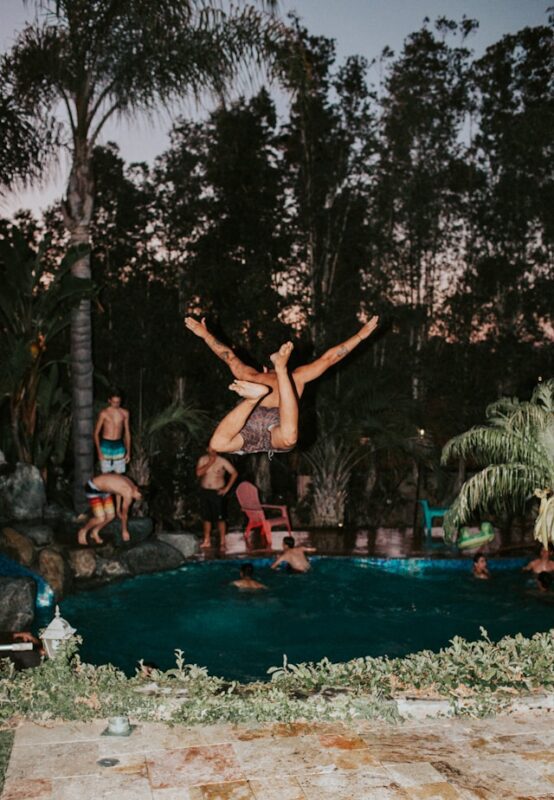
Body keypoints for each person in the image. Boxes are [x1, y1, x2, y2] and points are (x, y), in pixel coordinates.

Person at [185, 315, 379, 456]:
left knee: (218, 444)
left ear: (263, 368)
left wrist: (205, 335)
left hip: (252, 425)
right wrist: (360, 336)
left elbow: (227, 355)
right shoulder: (298, 377)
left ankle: (255, 397)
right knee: (289, 439)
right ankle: (278, 372)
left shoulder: (251, 375)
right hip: (274, 426)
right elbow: (329, 359)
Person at [78, 474, 142, 546]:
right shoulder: (128, 494)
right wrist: (124, 531)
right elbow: (124, 515)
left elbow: (119, 492)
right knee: (100, 518)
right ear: (138, 492)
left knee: (111, 516)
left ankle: (95, 531)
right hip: (93, 487)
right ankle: (83, 531)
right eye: (138, 497)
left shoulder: (131, 485)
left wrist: (118, 509)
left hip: (105, 491)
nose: (137, 499)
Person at [196, 446, 238, 550]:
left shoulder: (222, 461)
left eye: (215, 449)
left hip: (217, 492)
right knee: (206, 518)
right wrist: (209, 463)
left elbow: (234, 473)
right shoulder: (203, 459)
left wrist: (226, 489)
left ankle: (222, 542)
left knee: (220, 518)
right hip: (205, 491)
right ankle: (207, 540)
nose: (213, 451)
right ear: (207, 449)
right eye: (211, 448)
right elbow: (198, 473)